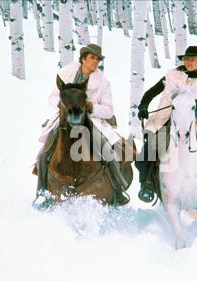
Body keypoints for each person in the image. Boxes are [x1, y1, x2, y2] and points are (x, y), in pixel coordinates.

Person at [136, 46, 197, 203]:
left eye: (193, 60)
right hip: (165, 120)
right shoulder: (172, 76)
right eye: (187, 59)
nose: (189, 62)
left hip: (190, 123)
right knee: (148, 150)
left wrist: (196, 104)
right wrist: (143, 106)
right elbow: (151, 92)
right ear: (183, 61)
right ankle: (147, 185)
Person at [34, 44, 130, 207]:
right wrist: (65, 104)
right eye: (92, 58)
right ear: (83, 58)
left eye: (98, 59)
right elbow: (52, 98)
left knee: (108, 151)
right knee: (42, 155)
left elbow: (108, 110)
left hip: (90, 121)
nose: (95, 61)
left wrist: (91, 107)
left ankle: (118, 189)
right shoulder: (65, 74)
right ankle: (41, 192)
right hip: (65, 118)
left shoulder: (103, 83)